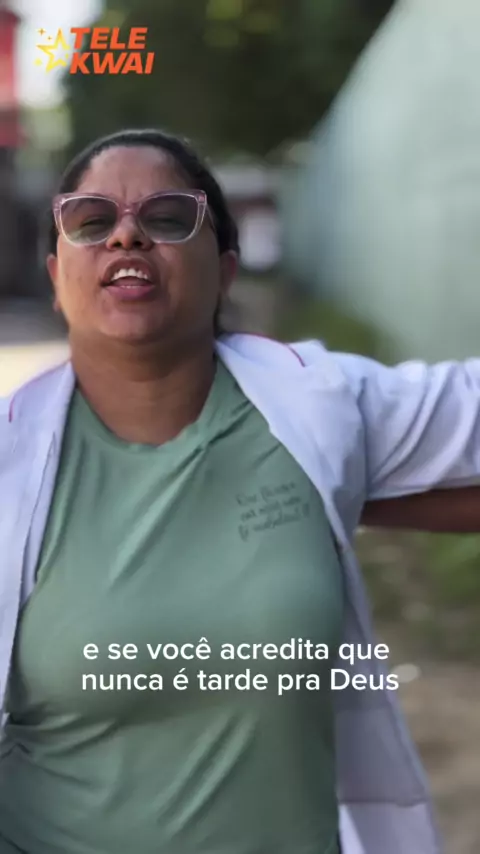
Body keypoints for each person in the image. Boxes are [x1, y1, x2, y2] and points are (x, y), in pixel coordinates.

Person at [1, 128, 480, 854]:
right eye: (91, 221)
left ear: (225, 270)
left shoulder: (315, 404)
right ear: (55, 272)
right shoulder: (12, 461)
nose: (126, 236)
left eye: (168, 217)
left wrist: (341, 493)